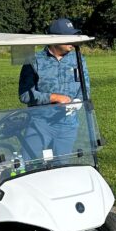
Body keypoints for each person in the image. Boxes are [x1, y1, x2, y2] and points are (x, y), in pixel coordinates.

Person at [18, 17, 91, 161]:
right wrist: (54, 98)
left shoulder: (78, 58)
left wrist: (78, 101)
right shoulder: (33, 60)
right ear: (55, 39)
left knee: (62, 166)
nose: (73, 40)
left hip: (68, 124)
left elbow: (85, 88)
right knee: (31, 163)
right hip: (39, 123)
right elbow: (25, 94)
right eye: (68, 37)